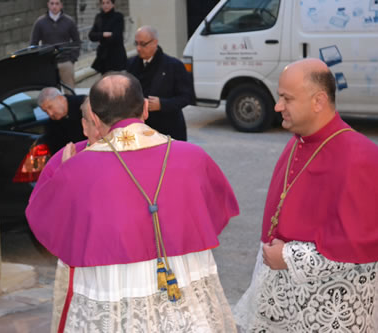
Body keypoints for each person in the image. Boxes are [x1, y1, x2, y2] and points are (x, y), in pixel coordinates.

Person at [27, 72, 239, 332]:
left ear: (94, 117)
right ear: (146, 108)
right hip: (179, 281)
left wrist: (65, 179)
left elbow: (45, 221)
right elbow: (216, 214)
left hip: (112, 288)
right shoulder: (194, 157)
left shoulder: (74, 167)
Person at [233, 58, 378, 332]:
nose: (277, 107)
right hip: (287, 303)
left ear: (318, 101)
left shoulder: (361, 158)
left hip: (330, 309)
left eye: (286, 98)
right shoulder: (297, 143)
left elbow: (360, 245)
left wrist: (287, 256)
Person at [127, 26, 194, 141]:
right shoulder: (130, 64)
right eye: (136, 44)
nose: (138, 48)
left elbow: (187, 97)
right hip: (139, 129)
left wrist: (162, 104)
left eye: (143, 44)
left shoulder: (174, 65)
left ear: (155, 43)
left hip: (168, 128)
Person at [30, 0, 81, 90]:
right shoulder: (40, 22)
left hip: (66, 61)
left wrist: (72, 59)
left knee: (69, 91)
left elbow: (77, 41)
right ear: (48, 5)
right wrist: (39, 61)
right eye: (52, 3)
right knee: (50, 93)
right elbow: (33, 44)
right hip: (48, 63)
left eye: (57, 3)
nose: (54, 6)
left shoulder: (69, 21)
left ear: (61, 5)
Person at [37, 87, 87, 153]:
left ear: (60, 98)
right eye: (45, 111)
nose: (50, 113)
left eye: (50, 107)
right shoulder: (51, 126)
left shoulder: (84, 105)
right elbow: (55, 151)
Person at [88, 0, 127, 74]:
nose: (105, 5)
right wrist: (103, 34)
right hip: (103, 57)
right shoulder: (99, 17)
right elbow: (91, 35)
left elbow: (116, 36)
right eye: (103, 3)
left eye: (108, 2)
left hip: (116, 56)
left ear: (113, 4)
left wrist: (99, 37)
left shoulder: (118, 16)